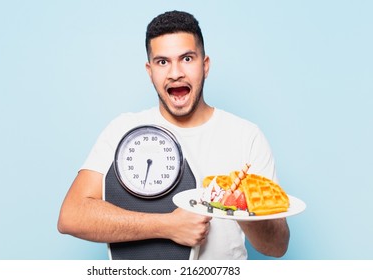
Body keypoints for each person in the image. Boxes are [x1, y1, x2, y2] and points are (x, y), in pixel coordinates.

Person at [58, 10, 289, 260]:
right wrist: (168, 226)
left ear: (205, 65)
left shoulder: (246, 136)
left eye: (187, 59)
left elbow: (276, 246)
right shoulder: (123, 131)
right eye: (162, 62)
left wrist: (237, 202)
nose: (175, 72)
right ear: (150, 71)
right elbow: (71, 216)